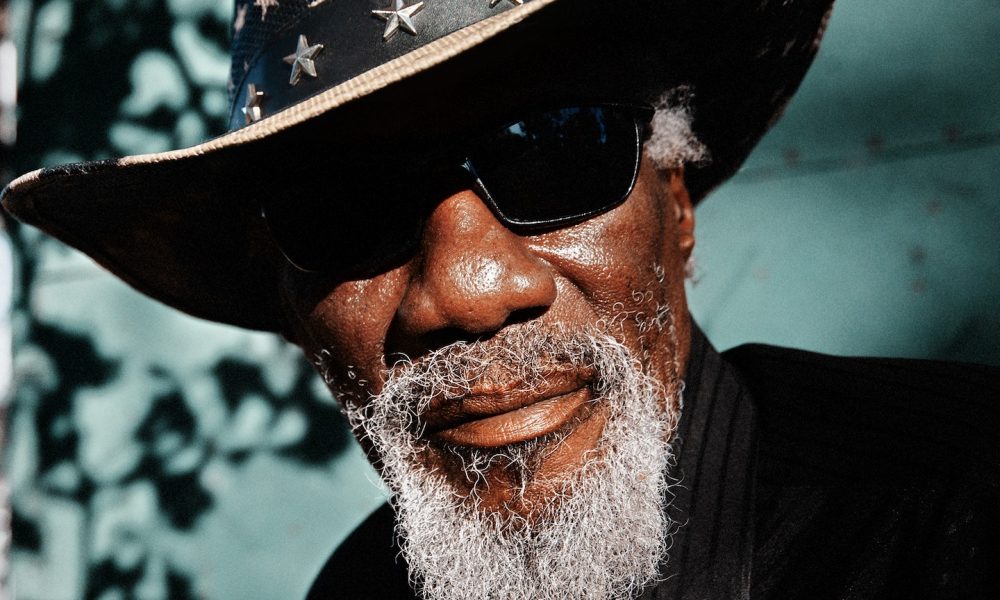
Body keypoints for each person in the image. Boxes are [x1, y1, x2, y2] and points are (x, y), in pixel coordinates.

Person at [3, 0, 998, 598]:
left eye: (556, 152)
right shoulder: (363, 593)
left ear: (677, 206)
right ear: (295, 310)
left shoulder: (952, 508)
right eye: (343, 208)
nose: (468, 293)